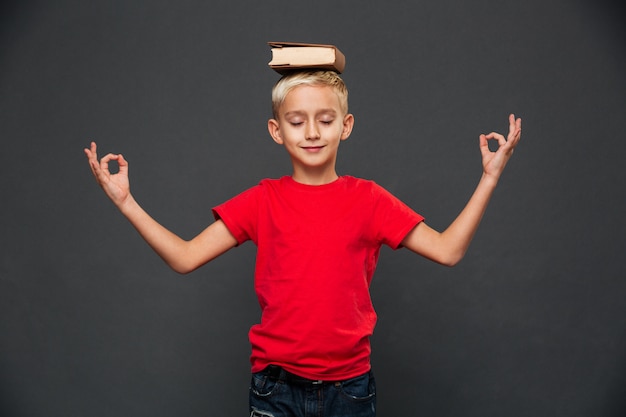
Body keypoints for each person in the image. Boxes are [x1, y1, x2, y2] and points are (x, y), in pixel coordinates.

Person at [84, 69, 521, 417]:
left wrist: (489, 178)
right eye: (297, 121)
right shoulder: (262, 200)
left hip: (350, 388)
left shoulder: (369, 199)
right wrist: (127, 203)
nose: (311, 131)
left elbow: (448, 250)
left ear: (345, 126)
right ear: (277, 130)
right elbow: (184, 257)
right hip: (276, 388)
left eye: (326, 120)